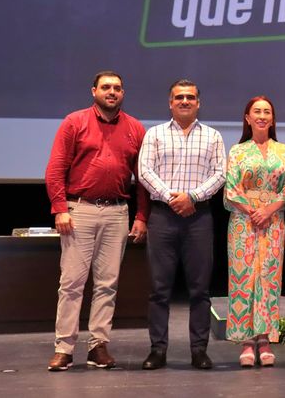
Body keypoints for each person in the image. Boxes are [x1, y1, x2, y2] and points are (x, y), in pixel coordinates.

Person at [44, 70, 149, 371]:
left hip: (117, 212)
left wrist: (141, 216)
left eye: (117, 88)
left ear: (123, 94)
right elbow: (55, 169)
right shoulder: (74, 122)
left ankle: (98, 346)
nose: (112, 92)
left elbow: (142, 180)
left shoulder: (135, 129)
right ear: (94, 91)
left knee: (107, 284)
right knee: (72, 283)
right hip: (80, 210)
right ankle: (64, 348)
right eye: (106, 87)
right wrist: (60, 208)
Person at [137, 79, 226, 370]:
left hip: (199, 216)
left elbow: (220, 174)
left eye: (190, 97)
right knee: (159, 290)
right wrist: (171, 197)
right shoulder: (155, 134)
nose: (184, 101)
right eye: (179, 97)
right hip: (162, 216)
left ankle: (199, 350)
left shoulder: (212, 136)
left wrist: (193, 197)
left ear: (198, 102)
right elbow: (144, 171)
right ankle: (157, 350)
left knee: (199, 290)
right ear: (170, 102)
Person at [224, 96, 285, 367]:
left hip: (273, 220)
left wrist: (269, 210)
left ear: (273, 119)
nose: (262, 116)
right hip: (243, 221)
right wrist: (253, 211)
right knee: (242, 277)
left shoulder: (284, 151)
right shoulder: (238, 151)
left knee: (269, 277)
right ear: (247, 118)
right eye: (257, 112)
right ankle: (245, 340)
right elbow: (231, 189)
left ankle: (264, 338)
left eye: (267, 112)